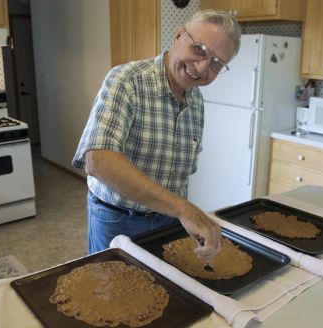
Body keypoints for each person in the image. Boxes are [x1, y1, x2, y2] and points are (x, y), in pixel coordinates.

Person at [72, 9, 241, 258]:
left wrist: (183, 216)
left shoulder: (196, 101)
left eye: (217, 63)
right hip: (117, 219)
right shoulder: (126, 81)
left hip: (168, 220)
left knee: (162, 288)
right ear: (178, 35)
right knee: (110, 291)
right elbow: (98, 160)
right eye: (199, 50)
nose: (203, 67)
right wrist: (184, 209)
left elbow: (179, 175)